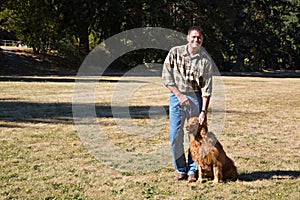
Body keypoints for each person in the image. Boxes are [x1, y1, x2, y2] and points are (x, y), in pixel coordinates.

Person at [162, 26, 213, 182]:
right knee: (175, 135)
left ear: (202, 40)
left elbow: (207, 88)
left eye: (199, 38)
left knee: (197, 137)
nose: (196, 40)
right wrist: (179, 95)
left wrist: (203, 111)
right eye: (193, 37)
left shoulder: (205, 60)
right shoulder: (175, 53)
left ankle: (193, 170)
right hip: (176, 97)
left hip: (196, 98)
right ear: (187, 38)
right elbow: (166, 77)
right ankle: (180, 169)